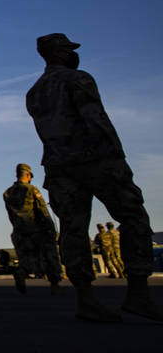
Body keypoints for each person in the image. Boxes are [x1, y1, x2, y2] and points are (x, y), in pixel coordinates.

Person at [25, 33, 162, 322]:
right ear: (61, 52)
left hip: (58, 166)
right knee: (134, 217)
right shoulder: (77, 79)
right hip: (94, 159)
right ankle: (138, 294)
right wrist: (117, 158)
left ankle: (86, 300)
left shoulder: (35, 92)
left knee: (73, 230)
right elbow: (96, 119)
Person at [2, 163, 62, 294]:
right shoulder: (31, 190)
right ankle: (55, 285)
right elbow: (42, 210)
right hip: (37, 229)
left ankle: (21, 273)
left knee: (27, 258)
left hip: (19, 230)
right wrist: (50, 228)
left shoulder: (8, 193)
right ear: (28, 175)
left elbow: (10, 215)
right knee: (49, 256)